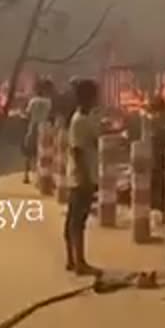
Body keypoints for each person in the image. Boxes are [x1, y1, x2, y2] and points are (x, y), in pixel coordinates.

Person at [65, 78, 112, 276]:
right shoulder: (79, 121)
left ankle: (72, 260)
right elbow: (78, 151)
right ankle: (80, 262)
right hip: (81, 176)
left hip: (81, 175)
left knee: (73, 220)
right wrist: (85, 177)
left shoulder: (84, 118)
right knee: (78, 221)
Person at [25, 80, 55, 185]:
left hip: (33, 126)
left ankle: (26, 175)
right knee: (43, 153)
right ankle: (41, 177)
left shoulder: (32, 101)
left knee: (29, 152)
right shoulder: (48, 101)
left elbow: (27, 114)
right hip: (44, 128)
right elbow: (50, 114)